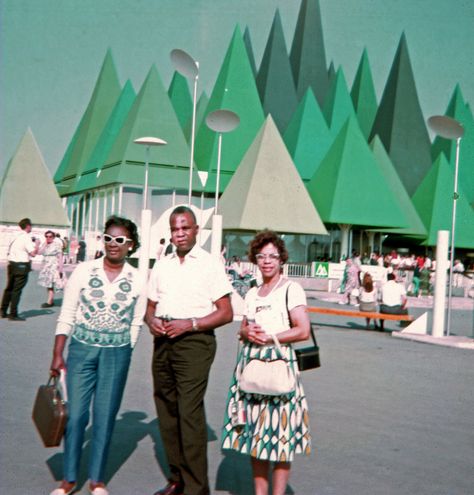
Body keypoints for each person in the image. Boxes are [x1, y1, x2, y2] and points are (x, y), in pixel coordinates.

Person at [48, 216, 146, 495]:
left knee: (104, 416)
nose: (113, 245)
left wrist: (126, 349)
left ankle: (97, 480)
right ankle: (68, 479)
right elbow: (67, 313)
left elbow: (136, 322)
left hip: (117, 354)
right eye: (108, 238)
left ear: (130, 246)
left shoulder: (137, 279)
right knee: (76, 415)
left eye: (120, 240)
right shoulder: (84, 270)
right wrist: (58, 352)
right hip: (81, 350)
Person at [145, 206, 233, 495]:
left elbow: (226, 312)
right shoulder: (163, 264)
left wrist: (191, 324)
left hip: (195, 341)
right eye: (175, 229)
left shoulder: (209, 264)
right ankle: (177, 478)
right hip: (164, 341)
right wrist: (152, 322)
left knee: (189, 412)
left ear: (196, 230)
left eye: (185, 228)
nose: (180, 234)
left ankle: (196, 488)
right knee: (166, 410)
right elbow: (149, 307)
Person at [221, 230, 311, 495]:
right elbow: (245, 329)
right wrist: (245, 332)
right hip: (251, 366)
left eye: (273, 256)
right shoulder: (251, 293)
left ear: (281, 259)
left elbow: (303, 330)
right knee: (255, 436)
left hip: (280, 365)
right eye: (262, 256)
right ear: (255, 259)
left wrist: (271, 338)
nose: (267, 261)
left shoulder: (291, 289)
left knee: (282, 436)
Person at [1, 217, 40, 321]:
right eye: (30, 225)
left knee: (9, 288)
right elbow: (33, 253)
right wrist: (37, 244)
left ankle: (3, 311)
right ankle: (13, 314)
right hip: (21, 265)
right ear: (27, 226)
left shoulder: (15, 235)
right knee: (17, 290)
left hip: (12, 263)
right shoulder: (26, 237)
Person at [38, 230, 64, 308]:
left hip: (53, 265)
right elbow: (39, 252)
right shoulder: (45, 244)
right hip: (46, 265)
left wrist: (60, 268)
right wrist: (44, 244)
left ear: (53, 237)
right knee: (48, 284)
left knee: (55, 284)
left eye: (50, 236)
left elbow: (60, 256)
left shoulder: (57, 245)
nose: (48, 238)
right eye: (46, 236)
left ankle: (50, 301)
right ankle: (50, 300)